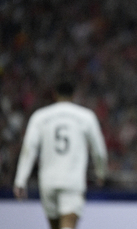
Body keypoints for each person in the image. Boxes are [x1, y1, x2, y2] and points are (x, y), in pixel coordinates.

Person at [13, 79, 108, 229]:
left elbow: (29, 149)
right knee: (68, 225)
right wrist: (101, 173)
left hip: (48, 182)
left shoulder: (40, 117)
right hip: (73, 181)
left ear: (54, 94)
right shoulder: (86, 116)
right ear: (74, 95)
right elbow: (99, 151)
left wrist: (20, 180)